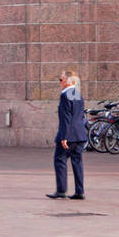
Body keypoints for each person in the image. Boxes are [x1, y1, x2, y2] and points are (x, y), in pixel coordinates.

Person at [48, 71, 87, 200]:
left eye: (62, 79)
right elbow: (78, 115)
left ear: (68, 81)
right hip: (79, 134)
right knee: (77, 162)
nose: (60, 82)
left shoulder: (65, 95)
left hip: (68, 135)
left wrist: (64, 136)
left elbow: (66, 117)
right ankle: (79, 191)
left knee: (60, 159)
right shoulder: (77, 94)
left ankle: (61, 190)